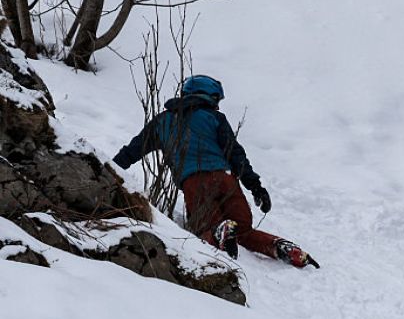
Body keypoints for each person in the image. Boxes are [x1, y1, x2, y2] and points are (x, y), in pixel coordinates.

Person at [112, 75, 318, 268]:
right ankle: (282, 247)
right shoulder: (215, 118)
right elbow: (236, 155)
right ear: (208, 96)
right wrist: (256, 187)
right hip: (225, 180)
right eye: (216, 99)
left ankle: (220, 231)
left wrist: (109, 170)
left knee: (204, 230)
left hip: (194, 183)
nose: (218, 104)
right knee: (243, 230)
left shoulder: (161, 121)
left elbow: (132, 151)